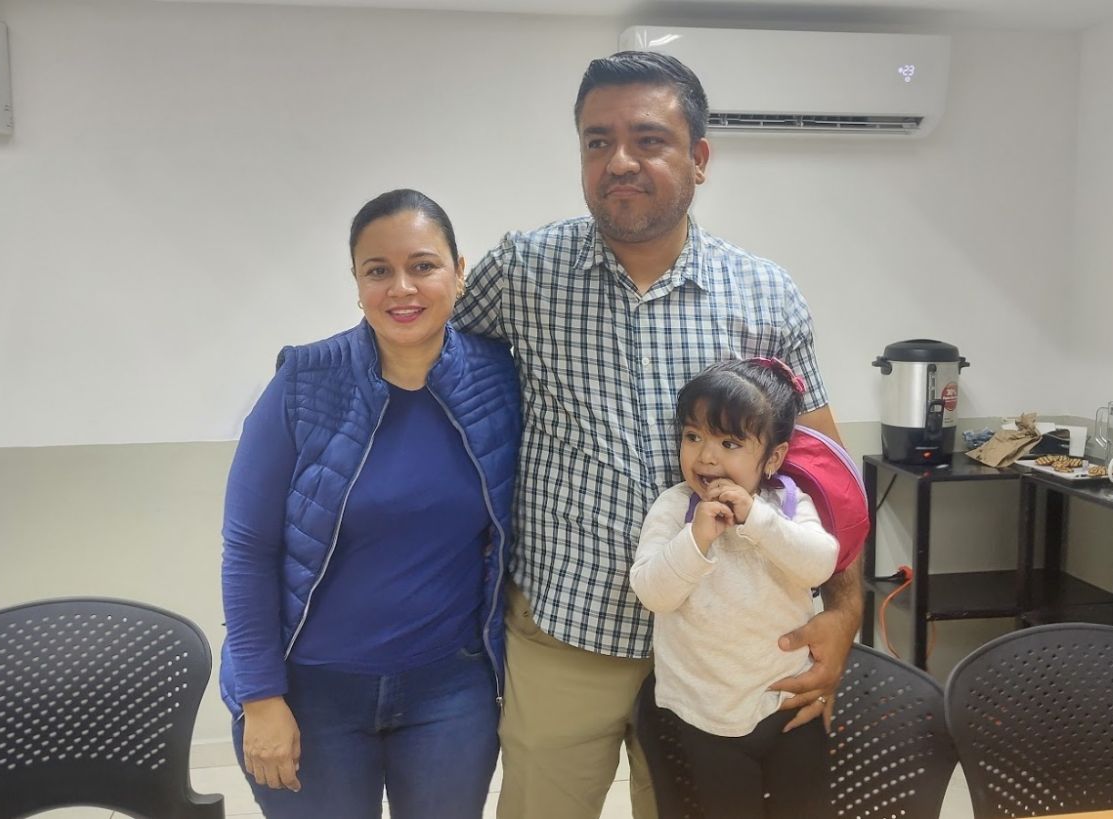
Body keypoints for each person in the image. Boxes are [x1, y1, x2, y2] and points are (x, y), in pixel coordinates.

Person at [452, 51, 861, 819]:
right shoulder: (521, 273)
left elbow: (829, 478)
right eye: (597, 141)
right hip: (567, 631)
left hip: (724, 650)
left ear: (699, 157)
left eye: (647, 139)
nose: (619, 161)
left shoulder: (765, 292)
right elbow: (422, 363)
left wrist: (843, 612)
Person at [217, 189, 521, 819]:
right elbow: (248, 551)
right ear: (357, 283)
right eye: (378, 270)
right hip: (311, 692)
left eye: (423, 265)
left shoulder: (499, 378)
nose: (401, 288)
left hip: (449, 691)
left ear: (459, 271)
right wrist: (261, 697)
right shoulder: (304, 382)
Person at [630, 358, 839, 818]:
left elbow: (820, 564)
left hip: (787, 705)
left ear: (773, 458)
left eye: (729, 443)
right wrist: (696, 539)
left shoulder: (786, 505)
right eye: (693, 437)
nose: (706, 456)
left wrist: (757, 520)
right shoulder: (674, 509)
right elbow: (652, 593)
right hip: (705, 716)